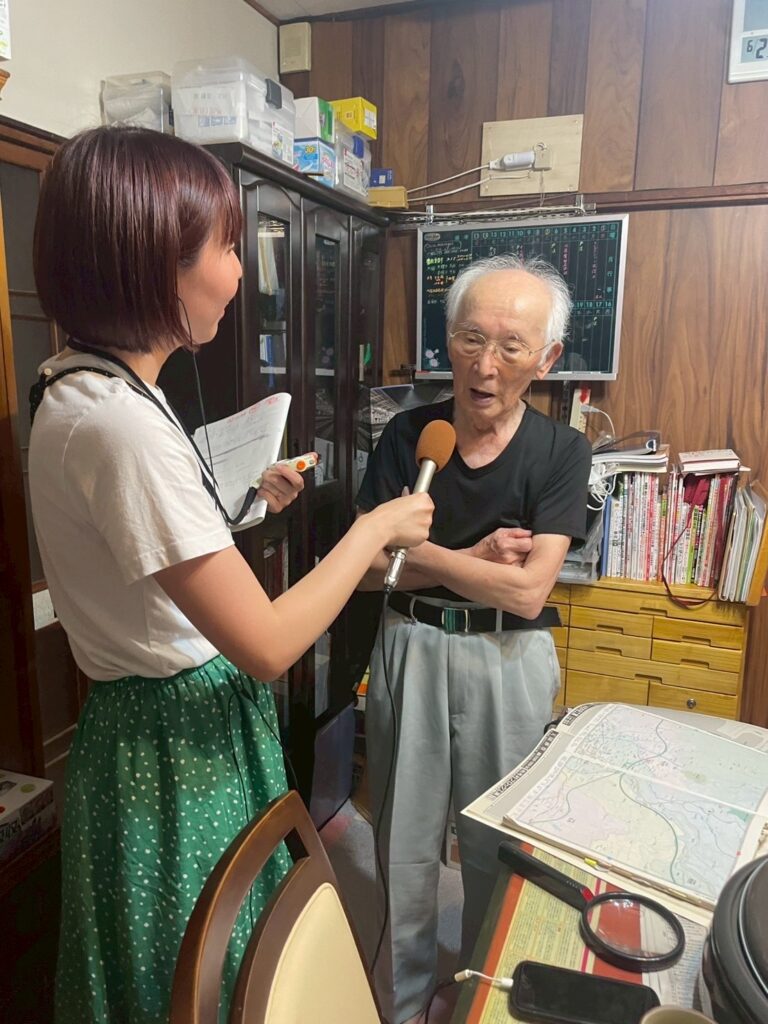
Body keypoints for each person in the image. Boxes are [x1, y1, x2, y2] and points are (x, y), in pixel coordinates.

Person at [29, 125, 433, 1024]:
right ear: (154, 265)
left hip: (153, 726)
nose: (240, 273)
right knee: (203, 977)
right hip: (171, 745)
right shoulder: (121, 426)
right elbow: (268, 643)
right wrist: (372, 529)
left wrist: (244, 506)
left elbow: (140, 558)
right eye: (224, 248)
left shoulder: (82, 382)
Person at [356, 254, 592, 1024]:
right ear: (448, 341)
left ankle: (487, 998)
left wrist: (417, 554)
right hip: (411, 648)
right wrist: (475, 559)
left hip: (508, 658)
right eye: (470, 339)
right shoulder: (408, 435)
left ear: (546, 359)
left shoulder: (561, 452)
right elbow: (364, 573)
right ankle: (403, 1003)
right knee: (403, 840)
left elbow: (527, 591)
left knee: (500, 843)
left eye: (511, 347)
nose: (485, 366)